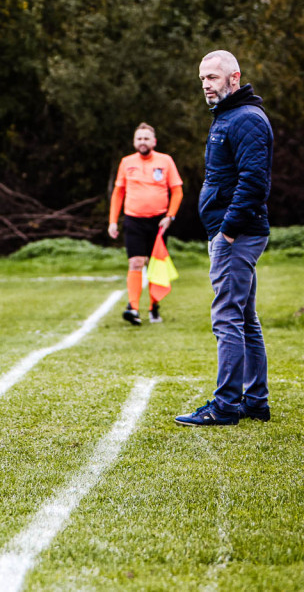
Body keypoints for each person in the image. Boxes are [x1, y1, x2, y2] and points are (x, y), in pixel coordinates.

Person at [176, 50, 274, 427]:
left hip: (236, 235)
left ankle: (226, 405)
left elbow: (253, 183)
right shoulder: (228, 116)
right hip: (234, 233)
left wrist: (227, 232)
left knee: (227, 318)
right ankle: (255, 401)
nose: (205, 85)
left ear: (234, 78)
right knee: (245, 318)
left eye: (213, 78)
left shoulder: (246, 118)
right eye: (202, 78)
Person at [107, 122, 184, 325]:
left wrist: (170, 216)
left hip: (159, 222)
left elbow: (177, 190)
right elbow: (118, 193)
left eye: (146, 138)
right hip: (133, 220)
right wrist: (113, 221)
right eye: (139, 138)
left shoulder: (165, 161)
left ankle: (153, 306)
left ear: (154, 141)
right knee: (135, 262)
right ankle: (132, 307)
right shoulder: (126, 162)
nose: (142, 142)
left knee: (154, 265)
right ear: (134, 142)